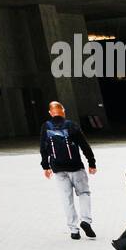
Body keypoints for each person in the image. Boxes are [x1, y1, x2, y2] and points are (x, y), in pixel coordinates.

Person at [40, 101, 97, 240]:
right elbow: (84, 144)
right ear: (63, 111)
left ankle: (74, 230)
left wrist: (46, 166)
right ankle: (86, 221)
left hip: (58, 169)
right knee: (84, 193)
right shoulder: (71, 125)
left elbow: (43, 147)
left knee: (67, 199)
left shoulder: (46, 126)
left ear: (50, 112)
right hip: (76, 167)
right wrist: (91, 162)